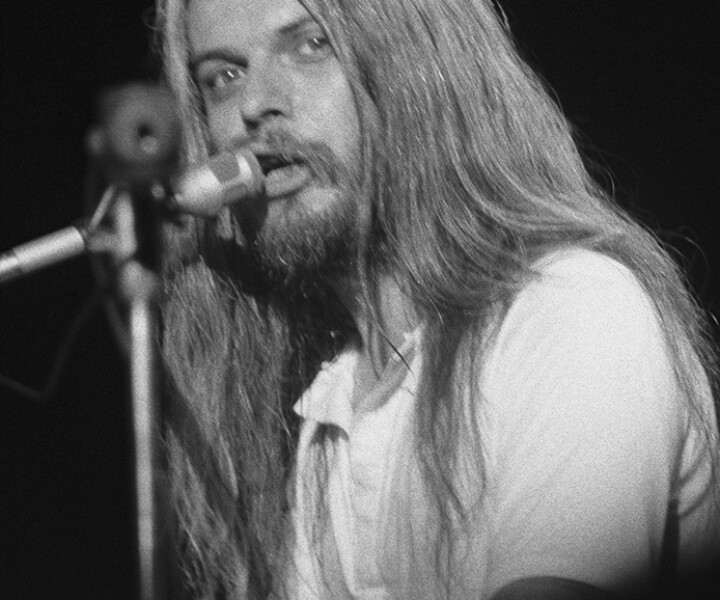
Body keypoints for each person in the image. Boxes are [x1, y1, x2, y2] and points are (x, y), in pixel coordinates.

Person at [154, 0, 720, 598]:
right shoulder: (335, 402)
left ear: (419, 66)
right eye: (223, 76)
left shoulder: (574, 311)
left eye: (312, 45)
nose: (253, 104)